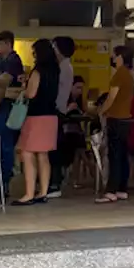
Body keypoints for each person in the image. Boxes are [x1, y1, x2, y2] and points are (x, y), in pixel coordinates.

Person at [13, 38, 60, 206]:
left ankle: (29, 193)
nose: (32, 55)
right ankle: (43, 192)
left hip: (36, 117)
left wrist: (24, 87)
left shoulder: (38, 70)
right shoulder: (55, 70)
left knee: (26, 152)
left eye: (34, 52)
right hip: (51, 116)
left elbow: (31, 94)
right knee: (43, 154)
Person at [0, 31, 24, 199]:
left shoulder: (13, 61)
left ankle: (3, 183)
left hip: (6, 108)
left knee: (5, 146)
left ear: (9, 43)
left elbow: (3, 84)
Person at [97, 45, 134, 203]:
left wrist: (101, 111)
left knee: (114, 155)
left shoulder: (118, 75)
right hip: (126, 119)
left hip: (116, 118)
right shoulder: (128, 75)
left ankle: (111, 190)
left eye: (114, 55)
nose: (112, 57)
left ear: (120, 57)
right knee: (122, 155)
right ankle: (121, 188)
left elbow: (111, 98)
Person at [46, 36, 76, 198]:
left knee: (53, 149)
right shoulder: (64, 66)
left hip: (57, 111)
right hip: (59, 111)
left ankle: (55, 182)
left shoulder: (63, 68)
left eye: (54, 47)